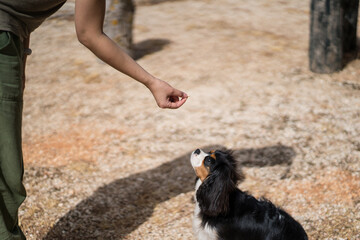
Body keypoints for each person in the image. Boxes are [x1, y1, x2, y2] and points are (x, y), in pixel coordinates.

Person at [0, 0, 188, 239]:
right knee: (5, 173)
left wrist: (21, 60)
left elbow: (20, 16)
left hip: (11, 36)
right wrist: (151, 82)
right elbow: (90, 34)